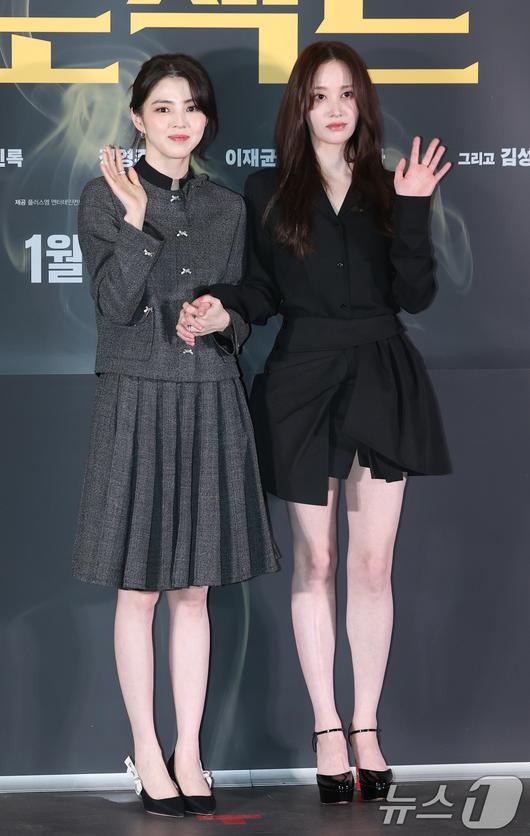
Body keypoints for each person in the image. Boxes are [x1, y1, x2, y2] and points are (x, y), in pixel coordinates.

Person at [177, 41, 452, 805]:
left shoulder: (391, 187)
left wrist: (416, 205)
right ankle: (327, 726)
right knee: (318, 563)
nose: (334, 108)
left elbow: (417, 295)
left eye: (346, 94)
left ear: (363, 105)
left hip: (382, 376)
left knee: (372, 565)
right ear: (299, 107)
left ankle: (367, 725)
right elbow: (261, 292)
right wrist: (222, 308)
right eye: (319, 95)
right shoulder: (267, 189)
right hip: (302, 380)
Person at [72, 53, 279, 818]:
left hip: (210, 397)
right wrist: (134, 222)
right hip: (136, 398)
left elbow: (245, 302)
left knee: (195, 592)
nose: (180, 120)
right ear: (137, 118)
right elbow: (113, 306)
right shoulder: (104, 195)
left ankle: (189, 751)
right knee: (140, 591)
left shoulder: (227, 207)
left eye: (191, 106)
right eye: (163, 107)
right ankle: (147, 750)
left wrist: (225, 317)